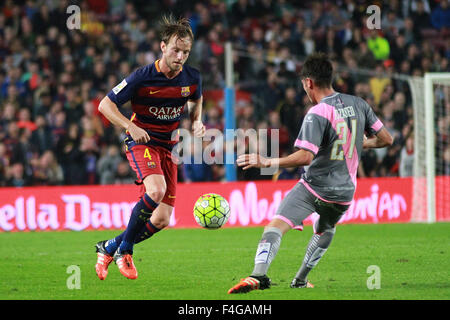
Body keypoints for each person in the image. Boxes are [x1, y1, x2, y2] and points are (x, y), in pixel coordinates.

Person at [229, 53, 393, 293]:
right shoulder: (359, 103)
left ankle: (258, 275)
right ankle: (301, 279)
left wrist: (267, 162)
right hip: (344, 192)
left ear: (308, 82)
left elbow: (305, 156)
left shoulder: (317, 112)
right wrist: (354, 141)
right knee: (326, 229)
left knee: (275, 227)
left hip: (313, 186)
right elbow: (386, 139)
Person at [94, 16, 205, 280]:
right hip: (141, 142)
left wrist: (197, 121)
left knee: (162, 219)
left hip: (168, 147)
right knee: (156, 190)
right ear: (162, 46)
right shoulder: (141, 77)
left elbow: (195, 99)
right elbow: (105, 105)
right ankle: (125, 251)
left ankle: (109, 246)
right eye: (176, 50)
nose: (180, 56)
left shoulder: (192, 77)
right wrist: (128, 126)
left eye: (186, 52)